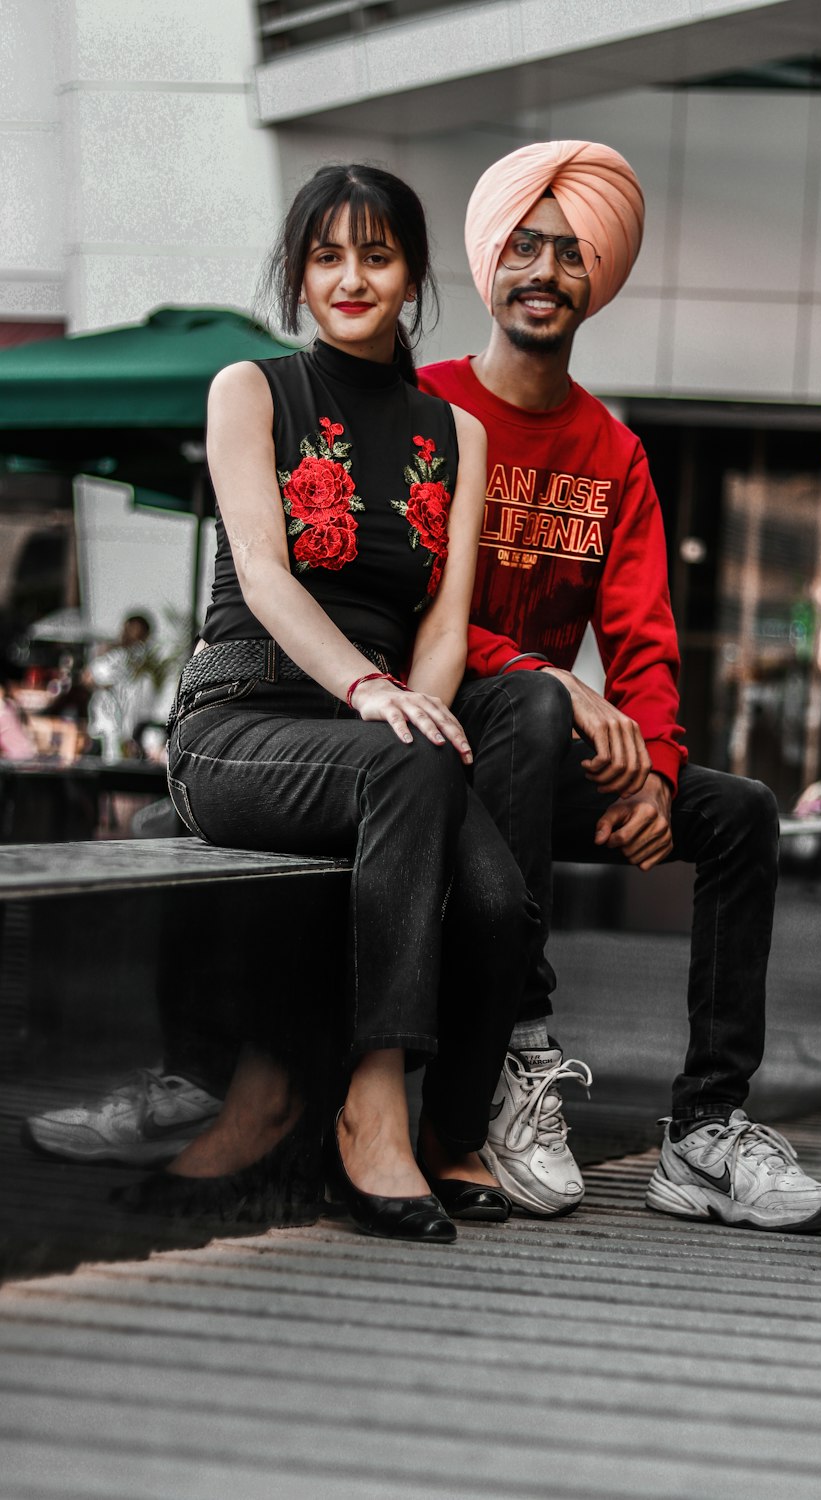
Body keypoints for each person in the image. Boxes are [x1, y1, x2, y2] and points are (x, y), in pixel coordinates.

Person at [418, 140, 821, 1233]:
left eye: (569, 253)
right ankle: (519, 1049)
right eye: (524, 246)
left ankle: (702, 1131)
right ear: (489, 264)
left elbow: (645, 643)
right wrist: (551, 678)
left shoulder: (613, 453)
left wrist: (654, 772)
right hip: (421, 747)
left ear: (595, 278)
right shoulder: (425, 409)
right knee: (539, 703)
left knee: (737, 811)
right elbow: (403, 603)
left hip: (536, 765)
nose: (546, 272)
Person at [114, 163, 537, 1242]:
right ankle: (373, 1102)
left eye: (376, 254)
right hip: (240, 724)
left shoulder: (459, 435)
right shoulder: (250, 389)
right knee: (410, 770)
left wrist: (412, 713)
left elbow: (444, 626)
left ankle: (440, 1126)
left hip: (381, 736)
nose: (351, 277)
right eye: (326, 256)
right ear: (299, 273)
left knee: (493, 901)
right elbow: (262, 571)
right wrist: (366, 693)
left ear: (412, 276)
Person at [84, 614, 156, 762]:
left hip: (114, 728)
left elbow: (91, 676)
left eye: (132, 630)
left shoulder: (125, 656)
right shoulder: (133, 659)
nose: (126, 633)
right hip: (111, 726)